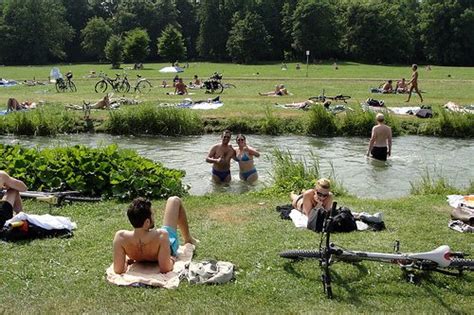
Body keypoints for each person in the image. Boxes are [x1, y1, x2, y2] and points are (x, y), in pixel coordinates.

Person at [113, 196, 198, 274]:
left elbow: (118, 270)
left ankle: (188, 238)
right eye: (152, 214)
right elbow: (165, 268)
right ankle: (188, 239)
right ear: (147, 222)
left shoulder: (121, 237)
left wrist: (126, 261)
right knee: (174, 200)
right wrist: (172, 259)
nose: (153, 217)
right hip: (165, 246)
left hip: (139, 252)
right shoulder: (161, 235)